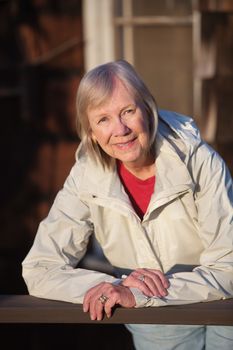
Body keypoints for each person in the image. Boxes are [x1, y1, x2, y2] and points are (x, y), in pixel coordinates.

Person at [22, 60, 233, 350]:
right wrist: (115, 288)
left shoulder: (199, 162)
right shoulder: (86, 176)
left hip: (225, 310)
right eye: (103, 119)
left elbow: (228, 267)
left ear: (148, 109)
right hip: (153, 323)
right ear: (91, 132)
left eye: (127, 112)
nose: (119, 129)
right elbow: (40, 268)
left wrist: (141, 294)